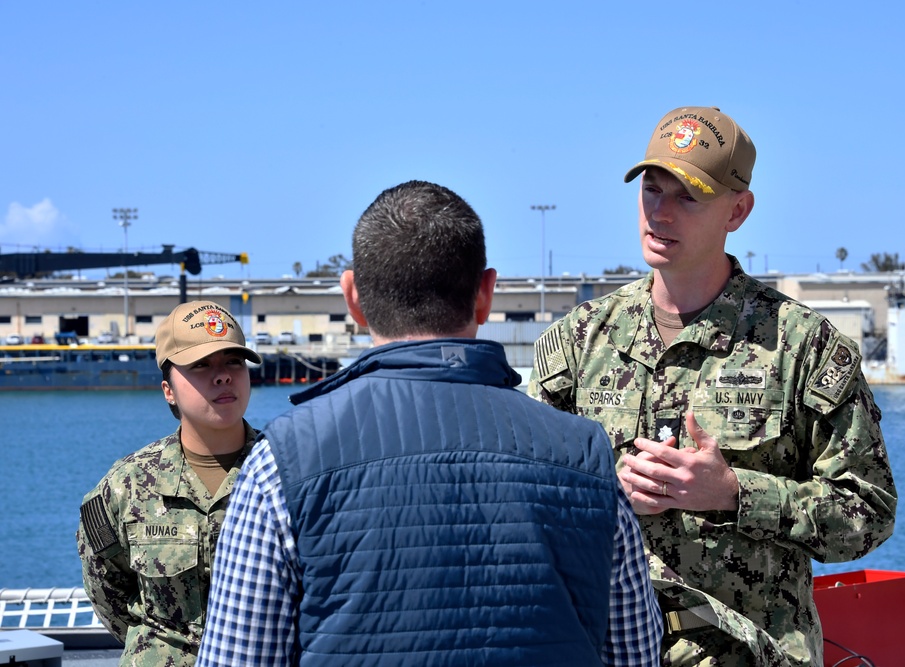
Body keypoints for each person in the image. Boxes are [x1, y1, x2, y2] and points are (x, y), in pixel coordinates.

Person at [196, 180, 663, 666]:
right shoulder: (586, 456)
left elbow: (236, 656)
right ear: (486, 294)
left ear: (352, 298)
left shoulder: (282, 463)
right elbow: (635, 655)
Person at [528, 107, 897, 666]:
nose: (661, 213)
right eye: (652, 190)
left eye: (688, 197)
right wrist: (604, 500)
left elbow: (867, 514)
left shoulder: (804, 348)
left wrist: (733, 493)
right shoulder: (578, 342)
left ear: (739, 211)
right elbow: (525, 498)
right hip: (606, 647)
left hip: (753, 654)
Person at [77, 300, 262, 666]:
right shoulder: (123, 488)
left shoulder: (285, 473)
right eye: (201, 365)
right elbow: (109, 595)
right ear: (168, 390)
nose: (223, 376)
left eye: (233, 362)